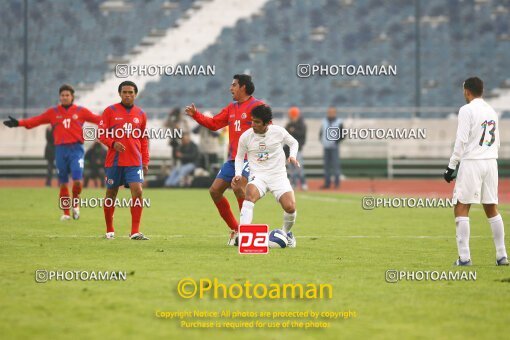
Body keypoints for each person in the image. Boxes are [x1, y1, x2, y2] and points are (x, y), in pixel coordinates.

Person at [185, 74, 264, 245]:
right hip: (233, 159)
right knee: (214, 191)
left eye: (234, 85)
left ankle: (246, 232)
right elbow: (214, 124)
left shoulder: (257, 106)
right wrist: (196, 115)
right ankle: (236, 230)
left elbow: (268, 128)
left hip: (250, 159)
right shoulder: (231, 107)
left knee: (237, 186)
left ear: (243, 87)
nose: (231, 88)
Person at [3, 84, 100, 220]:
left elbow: (99, 120)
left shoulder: (81, 111)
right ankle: (66, 213)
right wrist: (19, 123)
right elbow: (36, 121)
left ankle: (76, 203)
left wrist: (116, 122)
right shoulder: (53, 112)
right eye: (62, 95)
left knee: (78, 181)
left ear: (72, 97)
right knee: (63, 183)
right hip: (60, 150)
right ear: (59, 97)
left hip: (76, 150)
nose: (65, 97)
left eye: (67, 95)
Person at [444, 77, 508, 266]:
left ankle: (464, 258)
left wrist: (451, 165)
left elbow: (461, 140)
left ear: (467, 91)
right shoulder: (491, 110)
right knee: (491, 208)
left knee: (461, 206)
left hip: (472, 162)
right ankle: (502, 255)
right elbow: (496, 140)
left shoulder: (466, 110)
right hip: (490, 162)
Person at [234, 105, 299, 248]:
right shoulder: (246, 137)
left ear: (267, 123)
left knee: (290, 207)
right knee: (249, 196)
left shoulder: (278, 132)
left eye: (257, 122)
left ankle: (285, 234)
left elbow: (294, 143)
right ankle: (243, 234)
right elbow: (239, 158)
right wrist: (238, 174)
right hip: (259, 176)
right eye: (252, 121)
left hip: (278, 176)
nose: (253, 125)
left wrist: (292, 156)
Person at [98, 80, 150, 240]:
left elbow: (144, 139)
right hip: (114, 161)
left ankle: (134, 231)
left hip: (134, 162)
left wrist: (145, 160)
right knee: (111, 193)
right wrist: (113, 143)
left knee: (138, 191)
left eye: (131, 92)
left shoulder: (141, 114)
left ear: (135, 94)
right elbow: (101, 133)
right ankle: (109, 230)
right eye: (125, 92)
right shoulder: (109, 111)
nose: (128, 95)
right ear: (120, 93)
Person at [319, 107, 343, 189]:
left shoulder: (339, 122)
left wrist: (336, 142)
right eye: (329, 112)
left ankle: (337, 183)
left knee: (336, 166)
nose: (330, 113)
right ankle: (327, 183)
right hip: (326, 147)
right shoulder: (324, 121)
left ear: (335, 113)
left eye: (332, 112)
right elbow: (321, 132)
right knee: (326, 166)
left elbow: (343, 134)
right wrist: (322, 140)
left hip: (334, 147)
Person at [284, 106, 308, 190]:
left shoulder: (301, 125)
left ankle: (303, 183)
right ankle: (293, 183)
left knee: (298, 167)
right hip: (289, 150)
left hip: (298, 149)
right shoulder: (289, 124)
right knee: (291, 168)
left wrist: (293, 130)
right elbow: (286, 134)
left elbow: (301, 135)